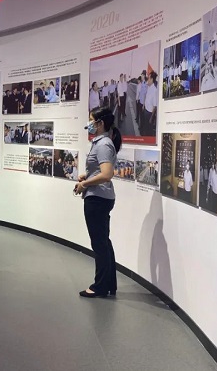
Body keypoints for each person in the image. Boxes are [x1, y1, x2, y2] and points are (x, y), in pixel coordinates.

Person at [74, 106, 122, 298]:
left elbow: (107, 174)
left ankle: (100, 286)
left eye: (91, 120)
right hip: (101, 197)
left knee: (99, 244)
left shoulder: (103, 145)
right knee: (103, 242)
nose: (89, 124)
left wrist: (84, 184)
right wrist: (87, 176)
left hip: (98, 199)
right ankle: (109, 284)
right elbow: (100, 171)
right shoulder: (102, 143)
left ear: (100, 123)